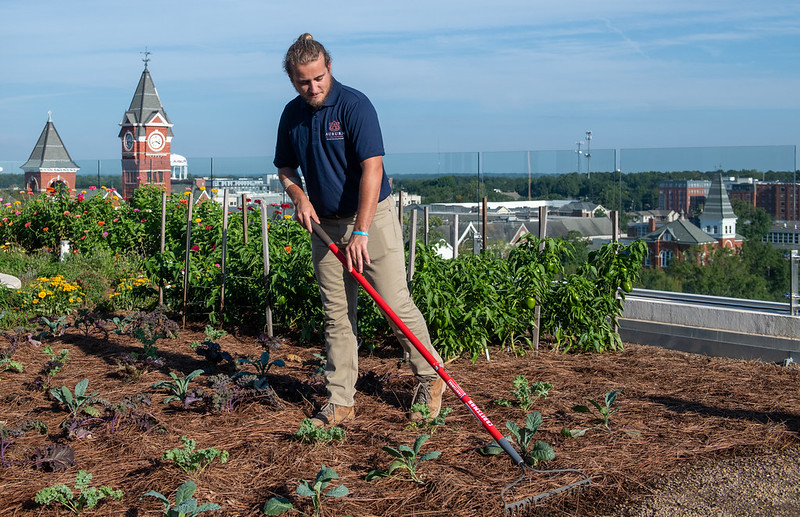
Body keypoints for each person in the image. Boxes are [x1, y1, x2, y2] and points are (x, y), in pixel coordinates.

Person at [274, 33, 445, 427]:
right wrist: (298, 196)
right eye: (304, 81)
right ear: (292, 80)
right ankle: (340, 400)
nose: (313, 87)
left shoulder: (355, 106)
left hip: (370, 221)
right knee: (337, 316)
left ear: (329, 67)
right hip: (324, 227)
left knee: (393, 304)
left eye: (318, 77)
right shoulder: (291, 115)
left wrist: (362, 232)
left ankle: (430, 378)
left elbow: (373, 168)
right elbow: (285, 168)